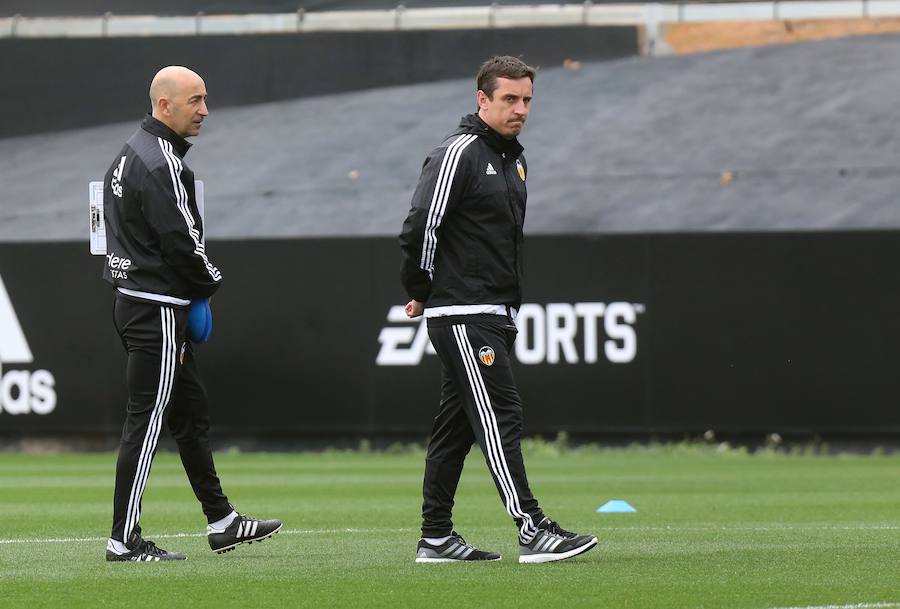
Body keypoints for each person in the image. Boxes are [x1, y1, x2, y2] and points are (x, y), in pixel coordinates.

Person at [398, 56, 598, 564]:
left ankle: (435, 537)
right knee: (501, 413)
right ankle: (532, 528)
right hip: (462, 312)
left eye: (527, 99)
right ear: (482, 99)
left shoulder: (515, 160)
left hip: (493, 310)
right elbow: (422, 224)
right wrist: (421, 287)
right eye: (509, 98)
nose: (521, 109)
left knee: (457, 425)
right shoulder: (458, 152)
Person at [101, 66, 281, 561]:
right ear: (165, 106)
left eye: (205, 100)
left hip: (141, 301)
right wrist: (211, 284)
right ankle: (124, 541)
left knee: (190, 415)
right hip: (155, 309)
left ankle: (222, 521)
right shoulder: (162, 163)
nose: (205, 111)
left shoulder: (131, 150)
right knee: (149, 419)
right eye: (196, 101)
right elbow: (183, 241)